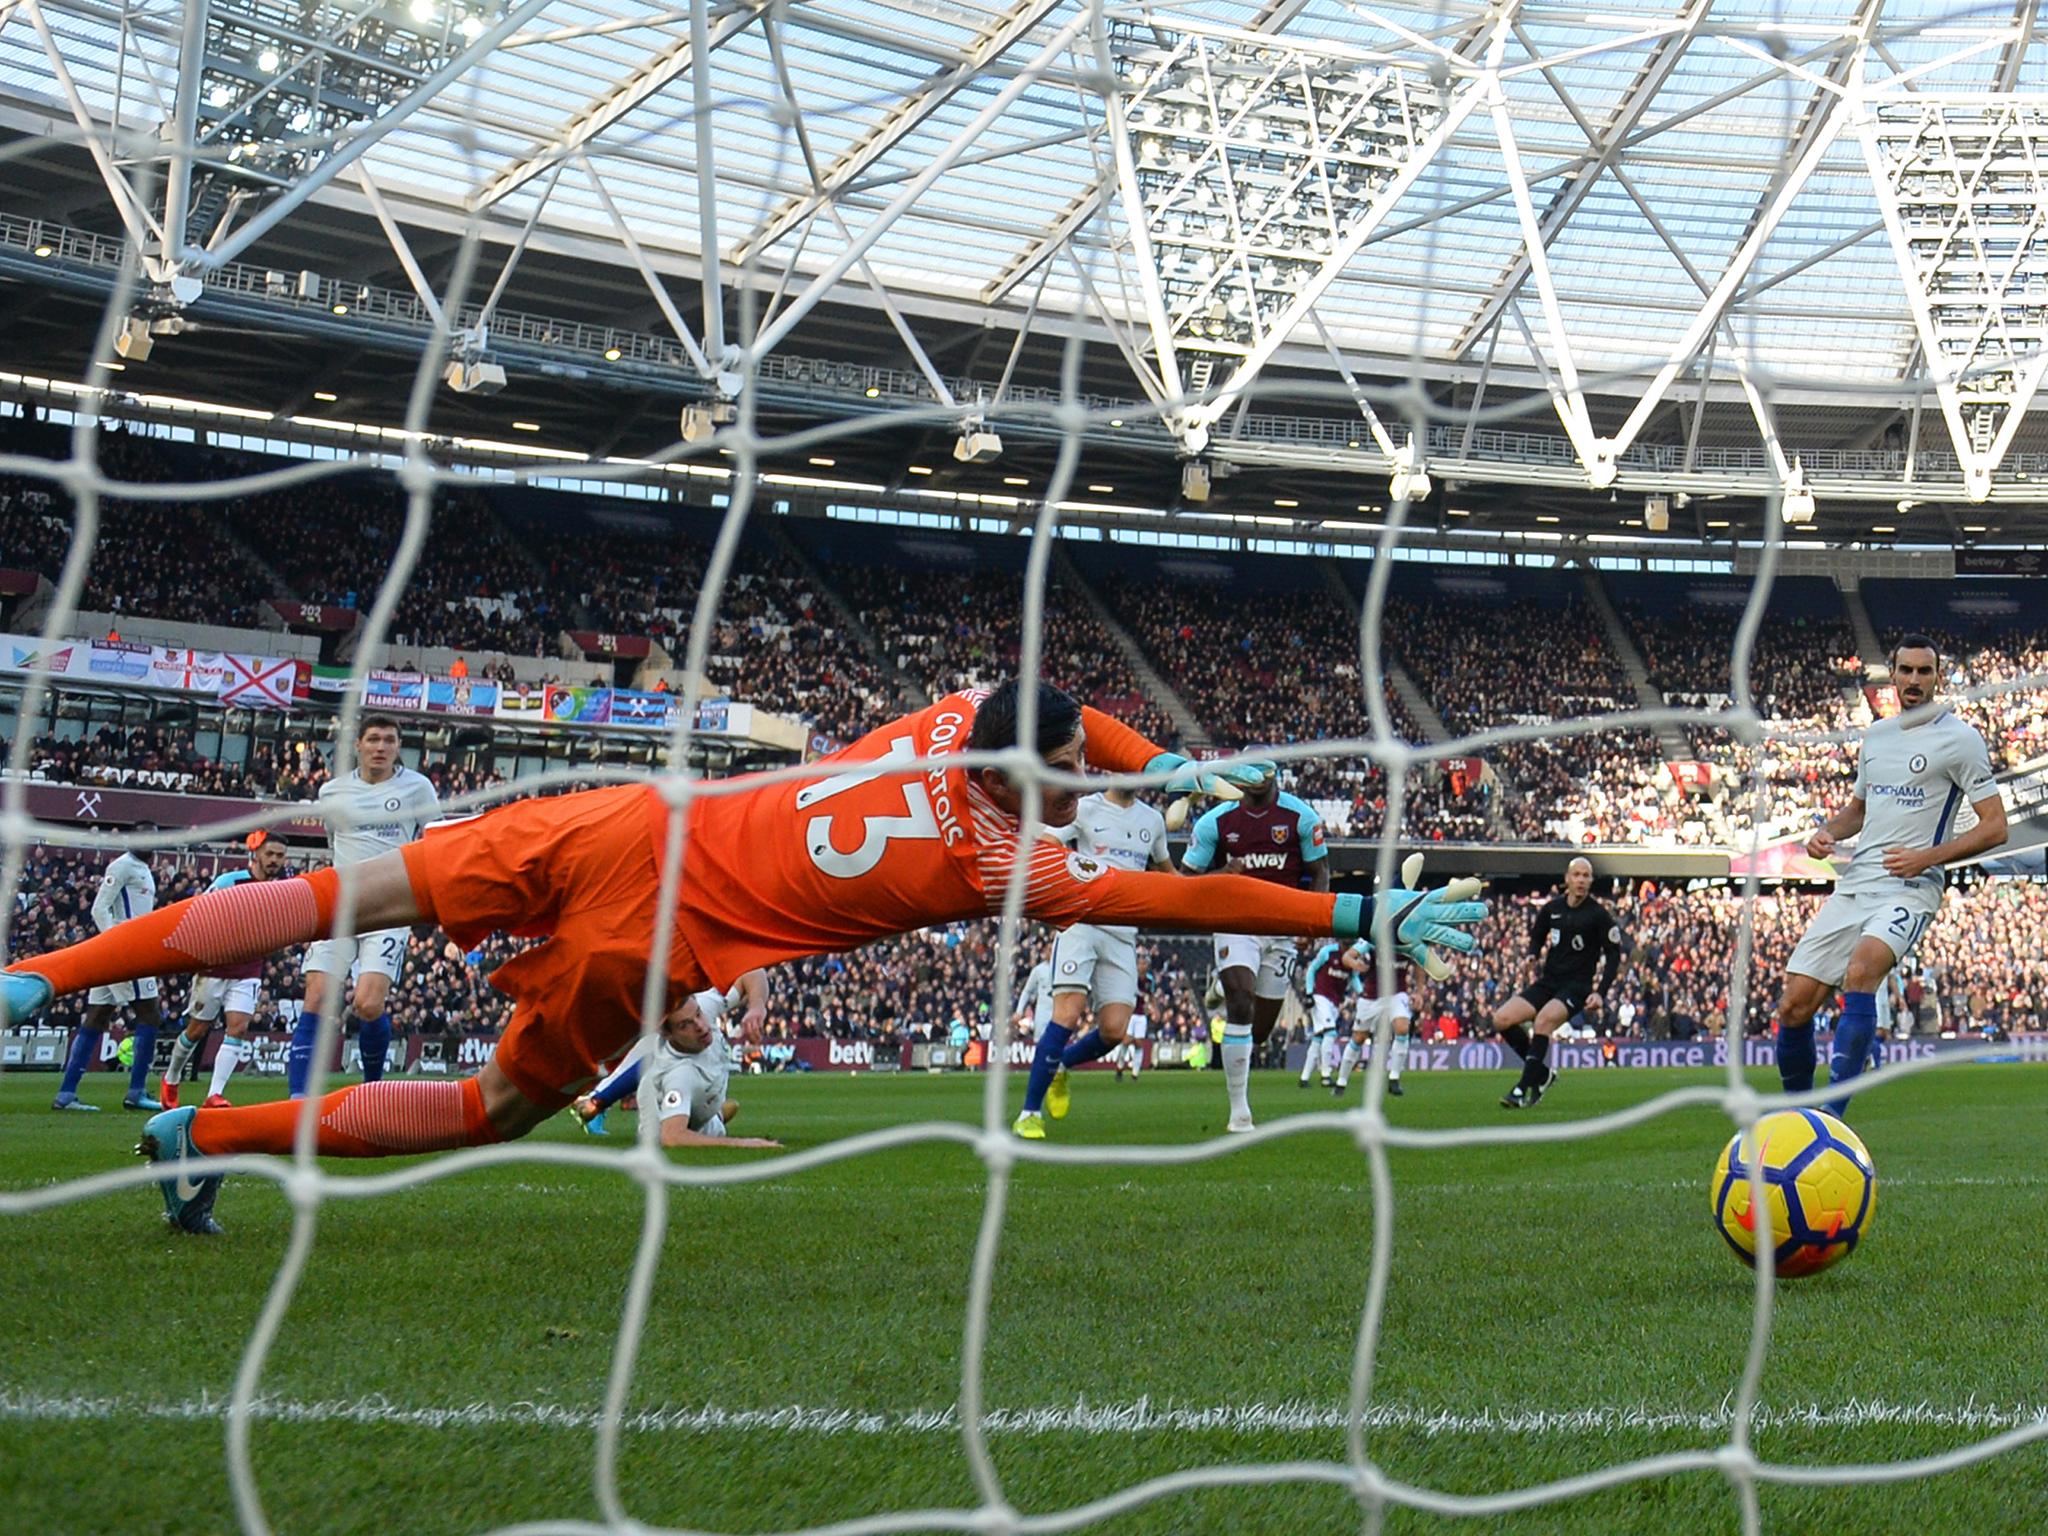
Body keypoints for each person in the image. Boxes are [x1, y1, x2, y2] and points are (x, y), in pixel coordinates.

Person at [1, 679, 1485, 1235]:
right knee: (487, 1114)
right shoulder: (995, 861)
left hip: (612, 823)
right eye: (1077, 778)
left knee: (350, 891)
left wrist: (1167, 762)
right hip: (644, 947)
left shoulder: (938, 725)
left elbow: (1054, 707)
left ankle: (44, 977)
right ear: (1036, 783)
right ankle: (208, 1129)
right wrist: (1349, 914)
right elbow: (1170, 909)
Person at [1773, 635, 2006, 1117]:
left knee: (1861, 971)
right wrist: (1826, 832)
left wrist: (1928, 858)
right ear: (1893, 675)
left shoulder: (1960, 739)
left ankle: (1830, 1120)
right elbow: (1858, 810)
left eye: (1925, 672)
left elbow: (1995, 826)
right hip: (1857, 882)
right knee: (1793, 1005)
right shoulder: (1876, 736)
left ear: (1937, 677)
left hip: (1912, 887)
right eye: (1907, 671)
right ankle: (1799, 1119)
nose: (1915, 680)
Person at [287, 716, 440, 1098]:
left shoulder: (417, 788)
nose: (381, 747)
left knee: (368, 1004)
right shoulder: (332, 792)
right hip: (339, 906)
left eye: (389, 740)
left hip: (390, 908)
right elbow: (335, 843)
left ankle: (371, 1091)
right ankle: (297, 1102)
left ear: (398, 747)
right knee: (318, 996)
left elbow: (435, 841)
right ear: (358, 745)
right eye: (373, 739)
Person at [1014, 783, 1173, 1140]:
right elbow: (1049, 844)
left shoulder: (1153, 819)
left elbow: (1169, 877)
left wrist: (1213, 882)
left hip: (1123, 934)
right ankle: (1029, 1112)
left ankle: (1061, 1066)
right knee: (1067, 1014)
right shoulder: (1084, 808)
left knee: (1115, 1030)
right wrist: (1066, 872)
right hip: (1081, 923)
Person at [1180, 767, 1330, 1133]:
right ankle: (1239, 1112)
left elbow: (1321, 871)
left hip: (1282, 930)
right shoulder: (1215, 821)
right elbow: (1183, 881)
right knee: (1241, 1002)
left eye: (1265, 772)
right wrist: (1223, 875)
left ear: (1276, 775)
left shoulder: (1302, 817)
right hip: (1237, 923)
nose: (1258, 779)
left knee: (1259, 1031)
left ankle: (1220, 984)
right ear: (1239, 778)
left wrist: (1312, 922)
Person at [160, 830, 289, 1108]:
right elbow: (197, 914)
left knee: (238, 1028)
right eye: (270, 854)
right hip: (214, 969)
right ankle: (171, 1078)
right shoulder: (229, 882)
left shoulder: (284, 889)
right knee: (196, 1031)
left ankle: (213, 1094)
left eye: (280, 856)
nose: (275, 860)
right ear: (256, 854)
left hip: (249, 970)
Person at [570, 970, 768, 1137]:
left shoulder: (696, 1006)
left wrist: (756, 1007)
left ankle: (716, 1115)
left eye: (698, 1015)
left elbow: (753, 972)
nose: (699, 1025)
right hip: (669, 1115)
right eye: (685, 1025)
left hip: (701, 1102)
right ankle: (594, 1102)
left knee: (710, 1120)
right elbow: (673, 1137)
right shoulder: (675, 1070)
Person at [1494, 857, 1623, 1110]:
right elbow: (1538, 935)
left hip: (1576, 987)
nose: (1581, 880)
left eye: (1586, 876)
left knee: (1543, 1021)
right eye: (1577, 875)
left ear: (1591, 880)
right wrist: (1532, 954)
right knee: (1501, 1019)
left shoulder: (1597, 915)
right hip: (1549, 981)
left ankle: (1522, 1089)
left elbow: (1614, 954)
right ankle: (1542, 1074)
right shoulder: (1552, 909)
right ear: (1567, 879)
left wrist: (1601, 993)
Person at [53, 830, 166, 1112]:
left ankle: (66, 1094)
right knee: (150, 1013)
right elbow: (99, 909)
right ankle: (136, 1091)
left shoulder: (143, 869)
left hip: (117, 951)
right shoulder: (122, 866)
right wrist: (118, 942)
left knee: (96, 1017)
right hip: (128, 952)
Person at [1334, 947, 1414, 1098]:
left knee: (1402, 1028)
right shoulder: (1372, 938)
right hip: (1372, 997)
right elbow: (1346, 957)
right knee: (1358, 1038)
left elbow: (1420, 963)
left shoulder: (1409, 939)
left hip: (1397, 993)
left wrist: (1420, 991)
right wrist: (1355, 964)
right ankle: (1341, 1081)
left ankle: (1394, 1078)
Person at [1298, 939, 1354, 1090]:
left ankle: (1304, 1077)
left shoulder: (1353, 958)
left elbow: (1354, 979)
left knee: (1318, 1038)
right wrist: (1309, 993)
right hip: (1320, 997)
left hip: (1335, 1002)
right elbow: (1312, 970)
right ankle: (1325, 1075)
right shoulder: (1327, 952)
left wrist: (1361, 994)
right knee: (1330, 1033)